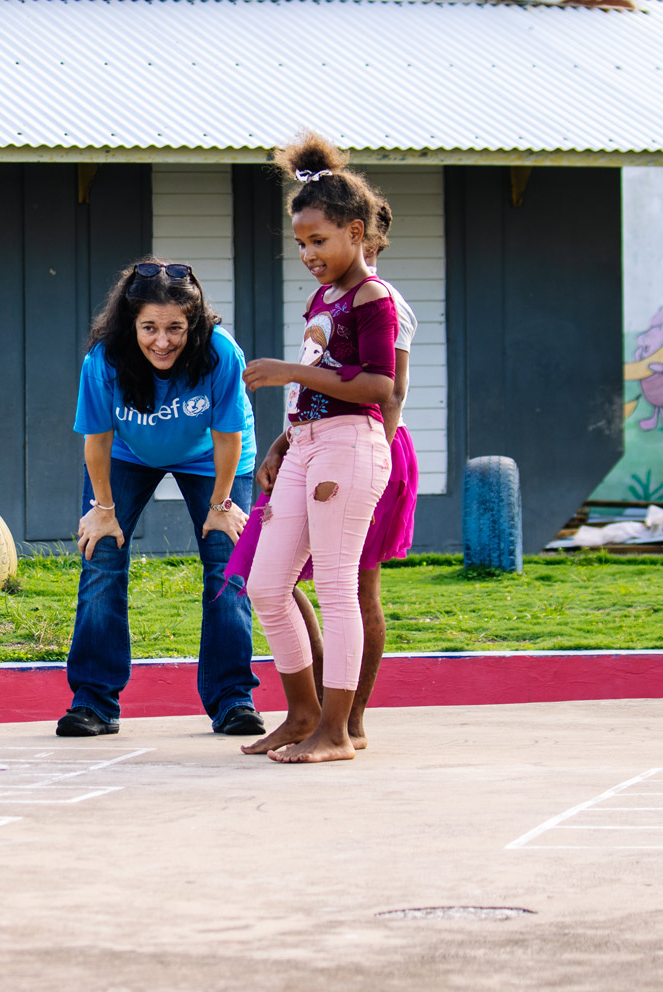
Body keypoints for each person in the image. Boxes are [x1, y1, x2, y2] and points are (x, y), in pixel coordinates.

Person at [227, 202, 420, 750]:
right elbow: (316, 388)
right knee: (266, 585)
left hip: (350, 445)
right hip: (307, 444)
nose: (308, 255)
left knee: (339, 588)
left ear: (356, 233)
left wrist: (288, 370)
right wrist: (283, 441)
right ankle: (304, 714)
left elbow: (382, 387)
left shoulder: (374, 298)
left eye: (318, 241)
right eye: (302, 245)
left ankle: (339, 729)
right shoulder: (324, 297)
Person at [57, 258, 262, 738]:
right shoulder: (104, 360)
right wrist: (104, 513)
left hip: (213, 458)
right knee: (101, 560)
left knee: (228, 566)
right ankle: (93, 702)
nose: (162, 341)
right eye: (149, 327)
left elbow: (228, 438)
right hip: (128, 453)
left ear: (194, 323)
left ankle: (233, 700)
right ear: (131, 324)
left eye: (175, 328)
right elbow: (98, 441)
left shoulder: (220, 354)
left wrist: (221, 507)